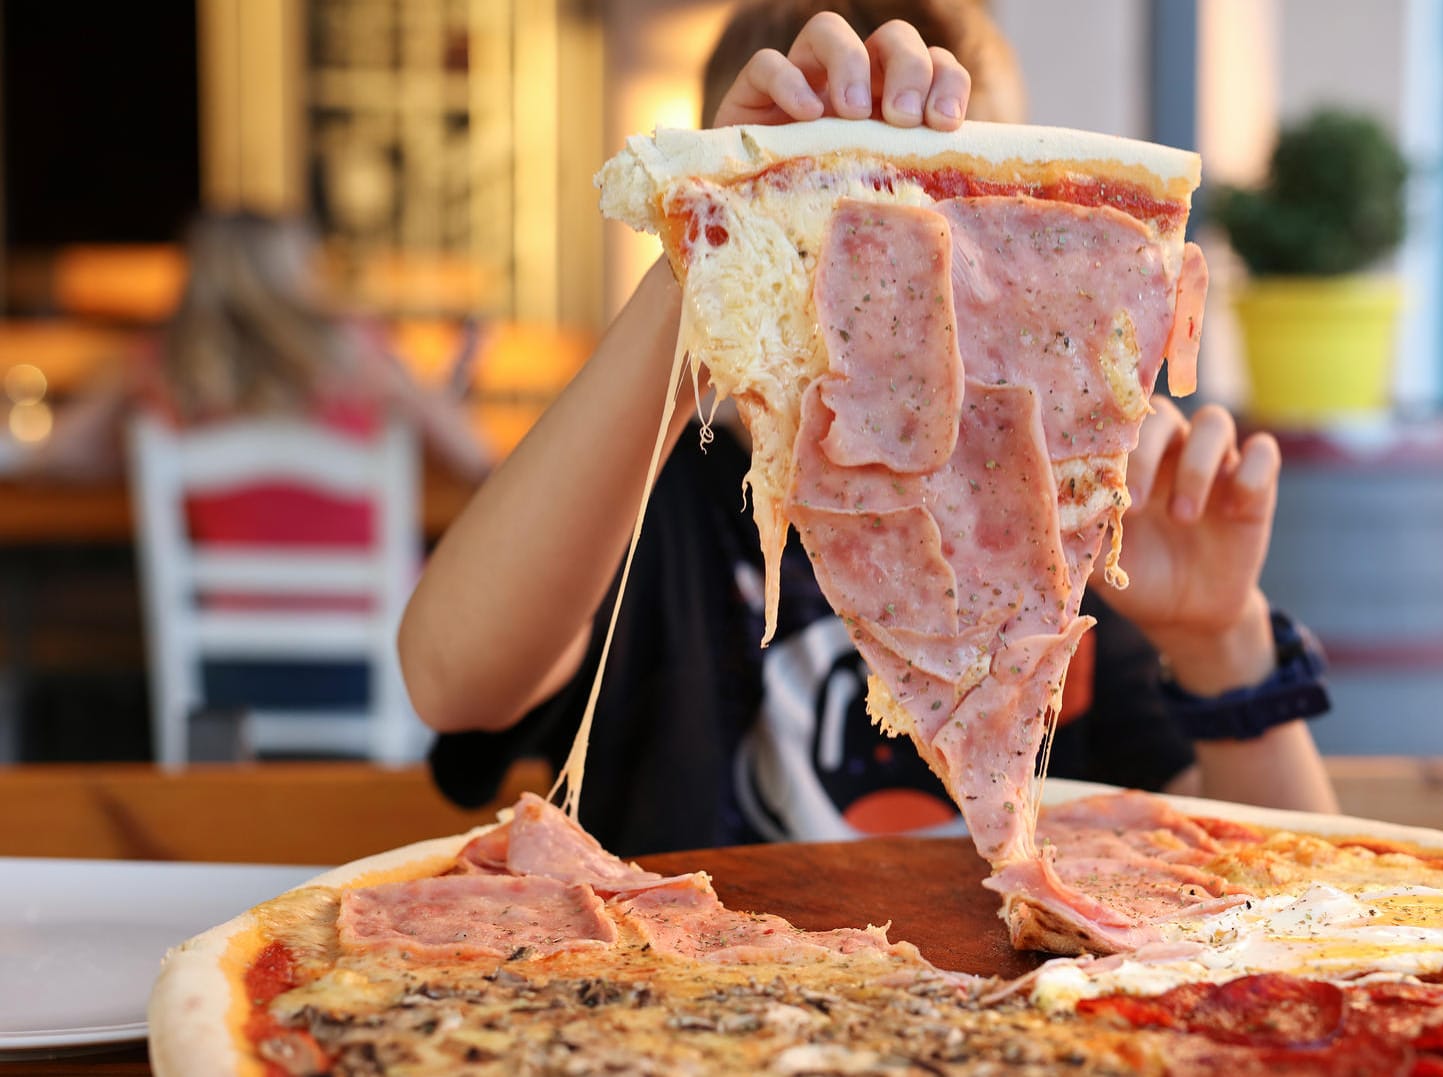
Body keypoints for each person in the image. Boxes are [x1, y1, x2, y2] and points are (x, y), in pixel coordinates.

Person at [401, 0, 1338, 856]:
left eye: (983, 237)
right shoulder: (655, 501)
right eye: (842, 237)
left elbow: (1287, 900)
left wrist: (1220, 637)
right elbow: (452, 678)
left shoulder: (1055, 528)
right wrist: (705, 239)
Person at [26, 210, 492, 486]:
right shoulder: (358, 353)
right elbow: (475, 458)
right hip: (375, 634)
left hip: (218, 639)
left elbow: (60, 453)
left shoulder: (162, 364)